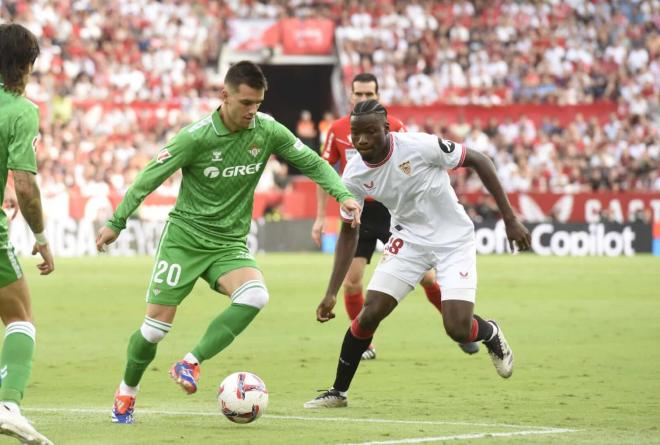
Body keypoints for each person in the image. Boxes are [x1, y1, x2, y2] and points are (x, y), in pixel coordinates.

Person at [96, 61, 361, 424]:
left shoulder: (267, 130)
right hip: (184, 241)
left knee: (256, 295)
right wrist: (116, 221)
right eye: (246, 103)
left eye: (258, 103)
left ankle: (190, 363)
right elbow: (150, 177)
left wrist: (342, 194)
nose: (253, 111)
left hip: (228, 243)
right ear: (225, 96)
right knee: (155, 329)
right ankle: (127, 393)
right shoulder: (196, 136)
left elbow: (313, 163)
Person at [304, 100, 531, 408]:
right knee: (370, 312)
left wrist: (510, 218)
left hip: (453, 239)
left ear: (386, 129)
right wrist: (331, 292)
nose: (362, 141)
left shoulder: (420, 146)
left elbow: (481, 160)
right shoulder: (354, 174)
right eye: (356, 134)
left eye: (370, 132)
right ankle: (338, 392)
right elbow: (348, 231)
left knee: (457, 328)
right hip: (408, 240)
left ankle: (489, 332)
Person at [312, 73, 478, 359]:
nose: (363, 99)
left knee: (427, 278)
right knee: (353, 281)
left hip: (393, 211)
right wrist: (319, 217)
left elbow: (411, 162)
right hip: (359, 210)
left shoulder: (396, 128)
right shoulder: (337, 129)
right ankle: (366, 342)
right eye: (359, 94)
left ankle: (458, 327)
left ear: (377, 97)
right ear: (351, 96)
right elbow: (325, 174)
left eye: (369, 95)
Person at [0, 23, 55, 445]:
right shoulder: (20, 109)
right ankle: (8, 405)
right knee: (19, 317)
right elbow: (24, 184)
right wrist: (40, 234)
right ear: (26, 65)